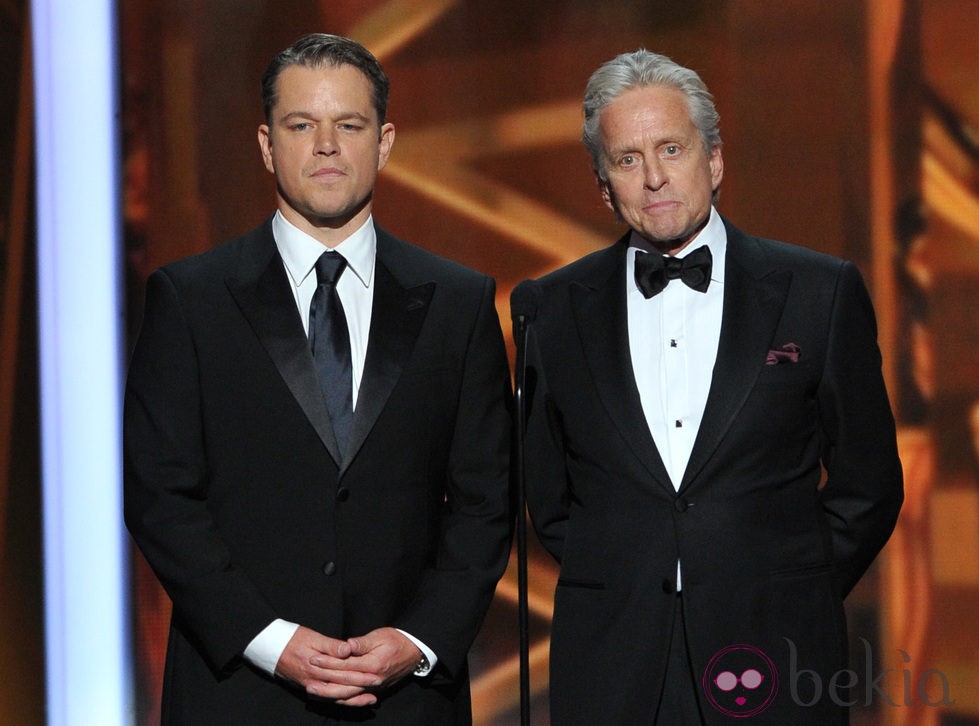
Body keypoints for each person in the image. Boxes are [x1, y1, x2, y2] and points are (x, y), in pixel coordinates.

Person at [124, 33, 512, 724]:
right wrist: (271, 641)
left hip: (405, 697)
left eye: (349, 125)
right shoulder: (191, 299)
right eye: (302, 125)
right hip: (239, 693)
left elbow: (487, 502)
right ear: (268, 145)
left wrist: (416, 638)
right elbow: (161, 497)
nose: (326, 145)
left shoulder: (458, 303)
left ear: (385, 141)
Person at [511, 50, 903, 724]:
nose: (655, 177)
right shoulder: (549, 309)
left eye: (671, 148)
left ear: (714, 160)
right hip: (613, 665)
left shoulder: (817, 293)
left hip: (776, 654)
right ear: (603, 186)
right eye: (627, 159)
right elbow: (548, 497)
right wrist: (627, 576)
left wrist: (788, 586)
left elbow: (867, 484)